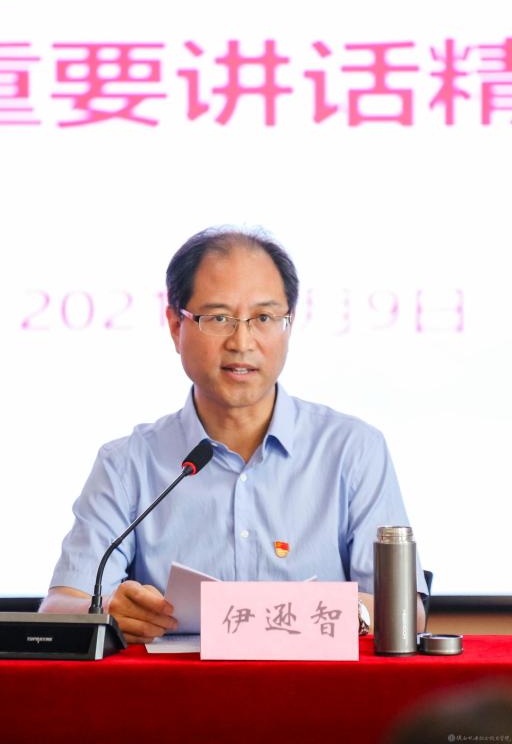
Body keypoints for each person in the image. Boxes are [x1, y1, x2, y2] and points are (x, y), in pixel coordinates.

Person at [40, 225, 427, 643]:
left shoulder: (353, 450)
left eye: (264, 318)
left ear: (289, 325)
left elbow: (408, 613)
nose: (242, 342)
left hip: (313, 684)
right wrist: (107, 611)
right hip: (176, 686)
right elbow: (61, 606)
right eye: (219, 318)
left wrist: (352, 614)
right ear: (175, 325)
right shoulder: (126, 463)